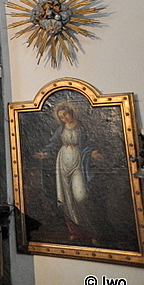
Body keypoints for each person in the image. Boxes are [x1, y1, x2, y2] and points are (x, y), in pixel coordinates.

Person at [35, 101, 103, 243]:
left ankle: (89, 230)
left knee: (80, 196)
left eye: (65, 114)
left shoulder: (82, 127)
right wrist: (45, 153)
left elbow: (90, 141)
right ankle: (74, 231)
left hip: (78, 163)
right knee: (66, 198)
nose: (64, 118)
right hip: (62, 164)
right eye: (61, 117)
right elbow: (54, 144)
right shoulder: (61, 129)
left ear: (71, 112)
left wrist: (93, 152)